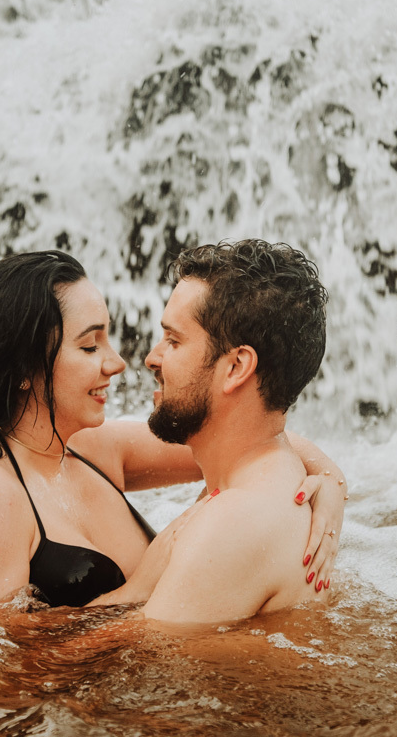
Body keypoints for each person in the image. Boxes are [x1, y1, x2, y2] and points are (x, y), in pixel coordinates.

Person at [0, 250, 345, 612]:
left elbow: (238, 436)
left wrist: (330, 482)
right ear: (24, 369)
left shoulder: (88, 448)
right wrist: (140, 589)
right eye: (89, 346)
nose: (119, 363)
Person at [89, 240, 333, 623]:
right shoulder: (272, 478)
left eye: (173, 340)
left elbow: (84, 669)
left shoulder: (233, 521)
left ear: (236, 367)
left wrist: (137, 587)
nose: (151, 357)